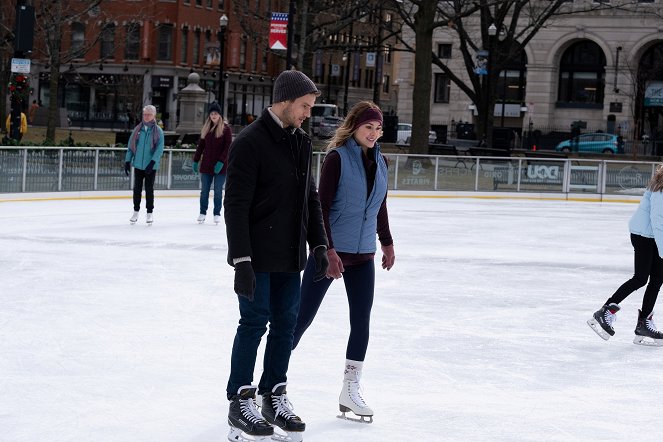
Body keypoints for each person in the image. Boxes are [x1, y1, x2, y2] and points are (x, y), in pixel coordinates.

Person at [223, 70, 329, 442]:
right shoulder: (250, 142)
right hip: (255, 257)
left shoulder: (302, 142)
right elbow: (234, 205)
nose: (307, 114)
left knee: (285, 325)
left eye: (310, 108)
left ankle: (273, 394)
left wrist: (318, 244)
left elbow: (310, 198)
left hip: (290, 254)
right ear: (284, 101)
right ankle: (240, 399)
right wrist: (241, 261)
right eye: (304, 106)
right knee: (253, 324)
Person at [291, 101, 395, 423]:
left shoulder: (381, 161)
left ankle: (350, 388)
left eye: (378, 129)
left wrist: (387, 242)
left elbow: (379, 205)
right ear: (355, 127)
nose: (374, 134)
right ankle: (268, 380)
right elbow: (319, 209)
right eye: (369, 128)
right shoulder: (337, 159)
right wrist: (328, 250)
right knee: (300, 319)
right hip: (330, 253)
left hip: (363, 254)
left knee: (361, 322)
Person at [588, 164, 663, 346]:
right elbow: (658, 219)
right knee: (640, 278)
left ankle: (643, 323)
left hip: (653, 236)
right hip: (643, 235)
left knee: (657, 279)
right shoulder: (661, 188)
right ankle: (605, 311)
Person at [124, 105, 164, 225]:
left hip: (150, 166)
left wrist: (153, 162)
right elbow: (131, 147)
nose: (146, 117)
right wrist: (127, 161)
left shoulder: (158, 131)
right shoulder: (138, 130)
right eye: (145, 114)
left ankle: (149, 213)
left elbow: (159, 149)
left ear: (154, 116)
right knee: (137, 189)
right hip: (138, 165)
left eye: (149, 114)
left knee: (149, 189)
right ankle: (136, 211)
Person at [192, 102, 232, 224]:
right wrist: (196, 160)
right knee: (204, 191)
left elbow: (228, 147)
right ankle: (202, 212)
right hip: (206, 165)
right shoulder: (206, 128)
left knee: (218, 191)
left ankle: (216, 213)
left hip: (220, 166)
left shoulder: (226, 129)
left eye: (215, 113)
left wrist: (221, 161)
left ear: (219, 115)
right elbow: (201, 146)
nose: (213, 116)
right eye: (211, 113)